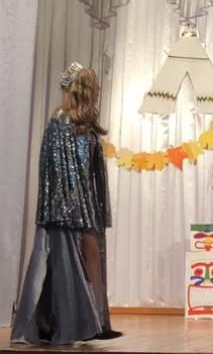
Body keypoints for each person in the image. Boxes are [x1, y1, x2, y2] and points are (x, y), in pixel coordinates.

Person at [10, 63, 121, 345]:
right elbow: (58, 171)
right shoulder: (60, 121)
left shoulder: (85, 125)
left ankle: (95, 320)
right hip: (65, 209)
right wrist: (71, 209)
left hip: (83, 206)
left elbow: (89, 171)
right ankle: (70, 322)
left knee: (92, 254)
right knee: (64, 262)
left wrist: (92, 208)